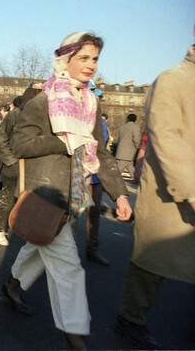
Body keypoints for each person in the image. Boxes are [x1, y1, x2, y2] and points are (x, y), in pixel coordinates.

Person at [1, 32, 131, 350]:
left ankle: (11, 285)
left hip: (74, 197)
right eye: (83, 58)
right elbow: (20, 144)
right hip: (46, 196)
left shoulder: (90, 101)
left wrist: (121, 194)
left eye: (95, 59)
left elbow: (99, 151)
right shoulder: (43, 101)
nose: (91, 65)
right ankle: (77, 341)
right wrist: (63, 140)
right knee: (69, 267)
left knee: (39, 245)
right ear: (65, 60)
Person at [116, 36, 195, 350]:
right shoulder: (174, 79)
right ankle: (130, 319)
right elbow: (166, 137)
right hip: (171, 187)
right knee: (151, 260)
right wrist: (190, 189)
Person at [0, 82, 42, 246]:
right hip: (14, 165)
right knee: (8, 200)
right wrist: (11, 160)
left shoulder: (45, 116)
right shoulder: (16, 114)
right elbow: (0, 139)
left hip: (34, 166)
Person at [84, 87, 110, 266]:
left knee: (94, 213)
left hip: (96, 174)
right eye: (92, 94)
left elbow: (103, 149)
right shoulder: (73, 116)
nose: (96, 99)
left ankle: (92, 248)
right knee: (67, 215)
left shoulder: (101, 123)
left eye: (98, 96)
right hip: (78, 172)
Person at [115, 113, 142, 179]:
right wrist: (138, 147)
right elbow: (136, 140)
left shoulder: (121, 127)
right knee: (121, 170)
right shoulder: (136, 128)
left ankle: (136, 179)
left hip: (121, 151)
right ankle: (111, 183)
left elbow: (117, 138)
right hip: (130, 152)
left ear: (127, 119)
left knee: (129, 167)